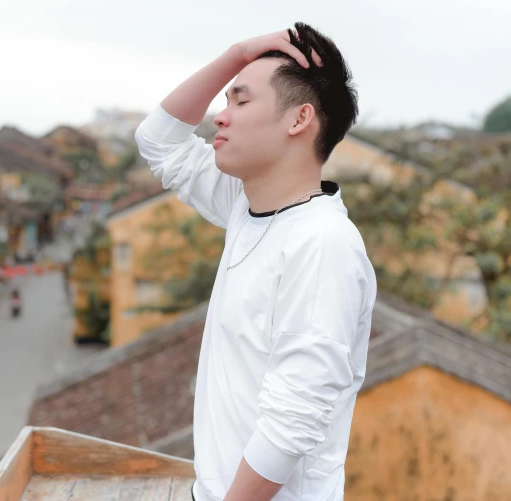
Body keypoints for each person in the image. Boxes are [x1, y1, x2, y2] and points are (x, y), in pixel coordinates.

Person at [134, 23, 376, 501]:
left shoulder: (323, 242)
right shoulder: (247, 208)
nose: (220, 118)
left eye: (240, 102)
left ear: (298, 119)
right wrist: (235, 55)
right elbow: (159, 142)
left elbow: (293, 421)